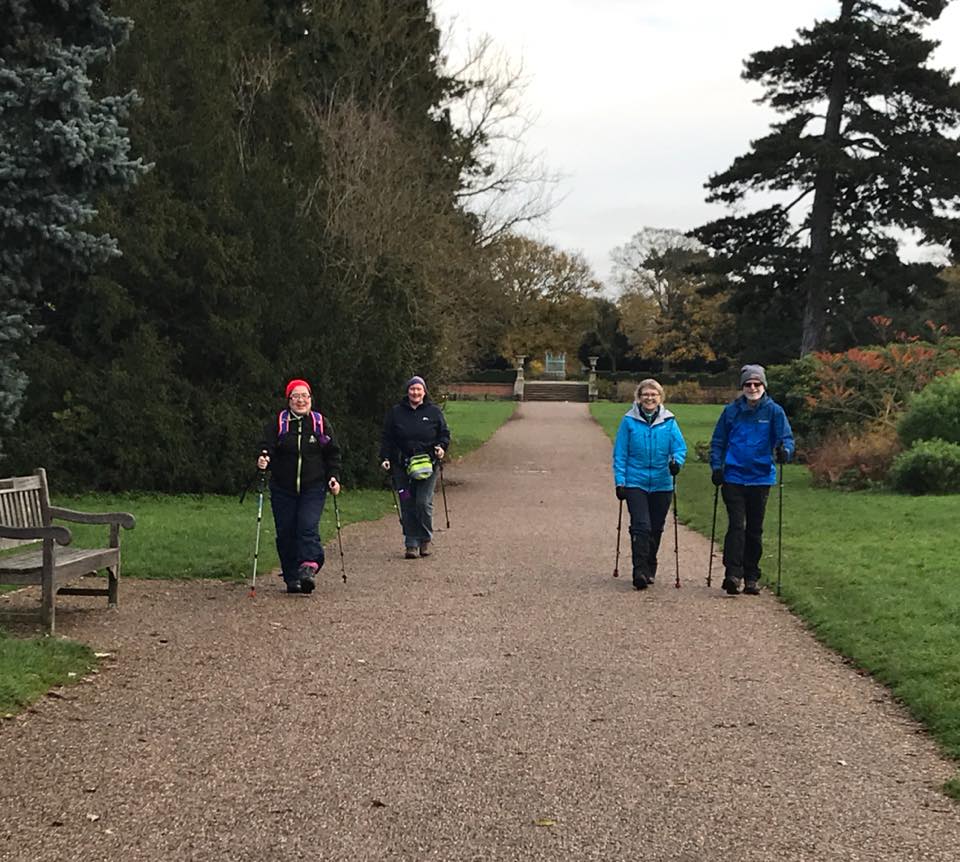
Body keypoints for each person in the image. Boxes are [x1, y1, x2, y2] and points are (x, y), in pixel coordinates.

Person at [709, 364, 794, 596]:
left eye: (757, 384)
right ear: (742, 387)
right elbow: (718, 441)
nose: (753, 388)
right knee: (737, 525)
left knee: (754, 529)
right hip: (733, 475)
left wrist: (785, 451)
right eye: (748, 384)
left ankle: (752, 576)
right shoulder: (731, 411)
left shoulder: (774, 411)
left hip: (760, 476)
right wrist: (717, 467)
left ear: (764, 386)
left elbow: (785, 438)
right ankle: (733, 574)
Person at [257, 379, 341, 594]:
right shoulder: (279, 423)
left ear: (311, 399)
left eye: (305, 396)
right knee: (285, 532)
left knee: (307, 526)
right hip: (282, 488)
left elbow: (332, 453)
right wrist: (264, 459)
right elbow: (266, 447)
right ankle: (292, 576)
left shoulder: (319, 423)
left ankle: (309, 567)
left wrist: (333, 477)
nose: (301, 400)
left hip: (313, 487)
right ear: (289, 400)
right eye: (296, 396)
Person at [612, 379, 687, 591]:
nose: (649, 398)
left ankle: (650, 564)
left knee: (655, 528)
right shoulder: (628, 421)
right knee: (641, 526)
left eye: (654, 394)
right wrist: (620, 481)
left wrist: (676, 463)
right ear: (639, 397)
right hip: (636, 481)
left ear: (660, 397)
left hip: (662, 482)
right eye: (645, 394)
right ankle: (639, 570)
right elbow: (620, 453)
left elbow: (679, 448)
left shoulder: (669, 421)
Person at [379, 376, 451, 559]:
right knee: (406, 501)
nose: (415, 393)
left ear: (424, 392)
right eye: (412, 389)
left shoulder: (433, 412)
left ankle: (425, 538)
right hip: (401, 467)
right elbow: (387, 437)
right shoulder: (396, 412)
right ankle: (411, 543)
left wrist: (441, 447)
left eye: (419, 389)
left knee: (422, 502)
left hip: (428, 465)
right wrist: (385, 457)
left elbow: (444, 433)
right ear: (407, 391)